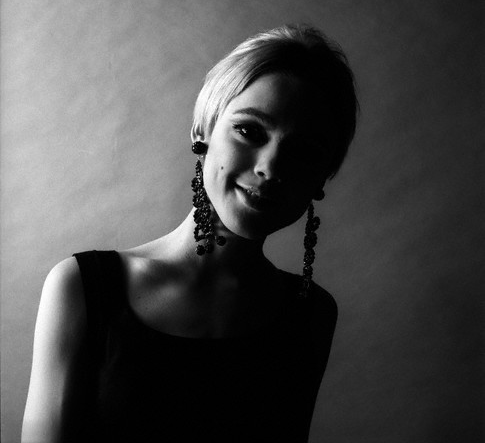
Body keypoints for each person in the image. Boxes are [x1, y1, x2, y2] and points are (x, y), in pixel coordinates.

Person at [21, 24, 358, 443]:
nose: (270, 168)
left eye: (304, 151)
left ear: (322, 176)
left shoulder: (311, 314)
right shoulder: (83, 287)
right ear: (203, 129)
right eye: (250, 131)